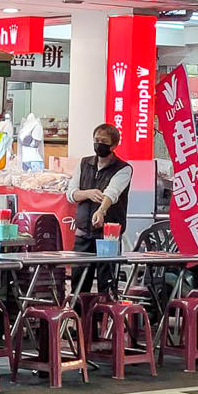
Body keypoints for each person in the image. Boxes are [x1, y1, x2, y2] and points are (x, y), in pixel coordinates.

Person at [66, 124, 133, 293]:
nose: (99, 144)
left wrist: (101, 210)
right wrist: (88, 193)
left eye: (104, 141)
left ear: (114, 145)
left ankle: (103, 317)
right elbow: (71, 193)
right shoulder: (84, 163)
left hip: (108, 236)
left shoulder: (123, 168)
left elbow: (112, 192)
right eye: (96, 140)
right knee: (79, 283)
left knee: (106, 282)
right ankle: (80, 315)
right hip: (83, 231)